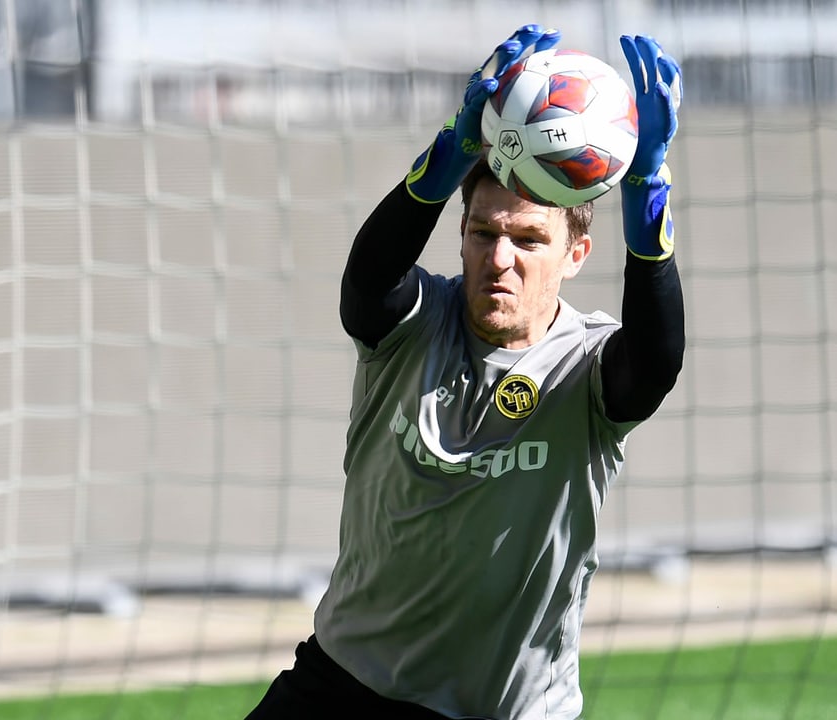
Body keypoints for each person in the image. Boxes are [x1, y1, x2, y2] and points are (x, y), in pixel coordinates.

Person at [245, 23, 685, 720]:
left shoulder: (587, 367)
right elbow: (368, 282)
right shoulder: (415, 323)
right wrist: (453, 149)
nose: (500, 258)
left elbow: (655, 363)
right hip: (347, 688)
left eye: (529, 239)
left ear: (575, 254)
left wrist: (649, 202)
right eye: (484, 233)